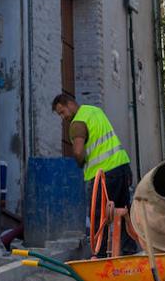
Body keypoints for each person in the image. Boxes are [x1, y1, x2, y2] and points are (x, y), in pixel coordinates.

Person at [51, 93, 138, 257]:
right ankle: (129, 252)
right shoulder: (95, 111)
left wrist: (80, 162)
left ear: (70, 104)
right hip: (122, 166)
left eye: (62, 112)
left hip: (104, 175)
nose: (63, 117)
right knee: (124, 211)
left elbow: (78, 151)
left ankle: (100, 255)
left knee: (99, 216)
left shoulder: (77, 123)